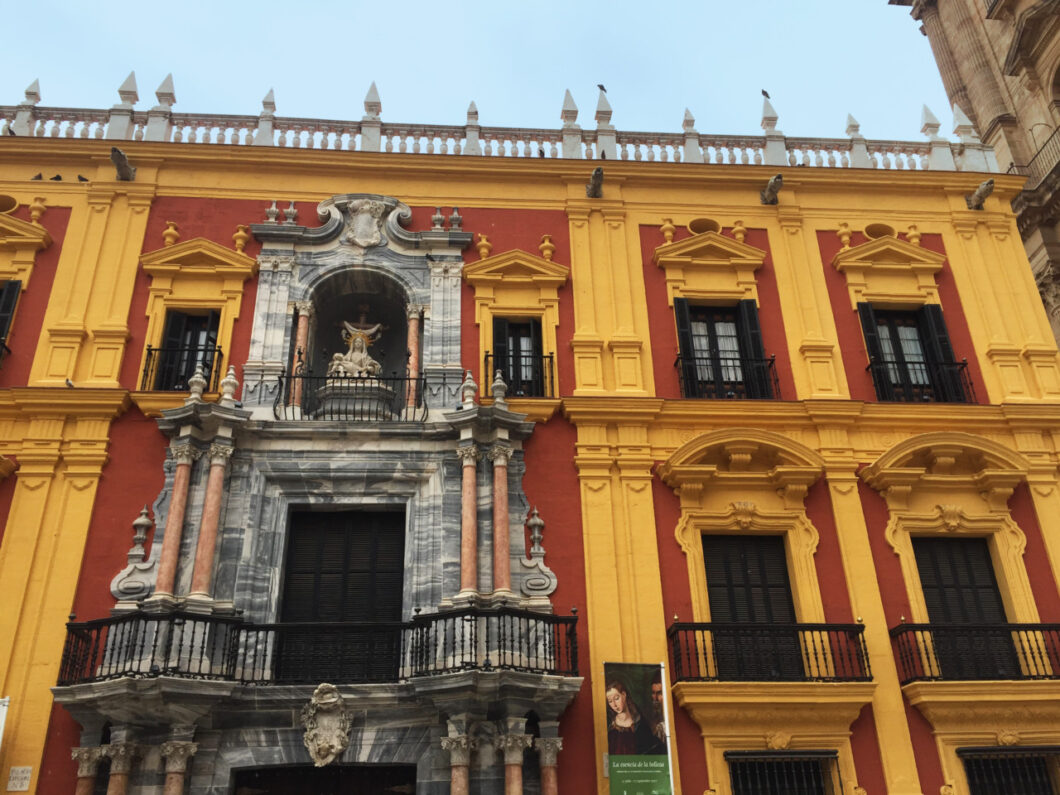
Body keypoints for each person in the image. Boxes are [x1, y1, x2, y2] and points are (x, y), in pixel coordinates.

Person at [605, 680, 665, 756]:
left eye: (616, 698)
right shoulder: (612, 731)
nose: (614, 704)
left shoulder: (640, 722)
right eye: (610, 701)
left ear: (624, 695)